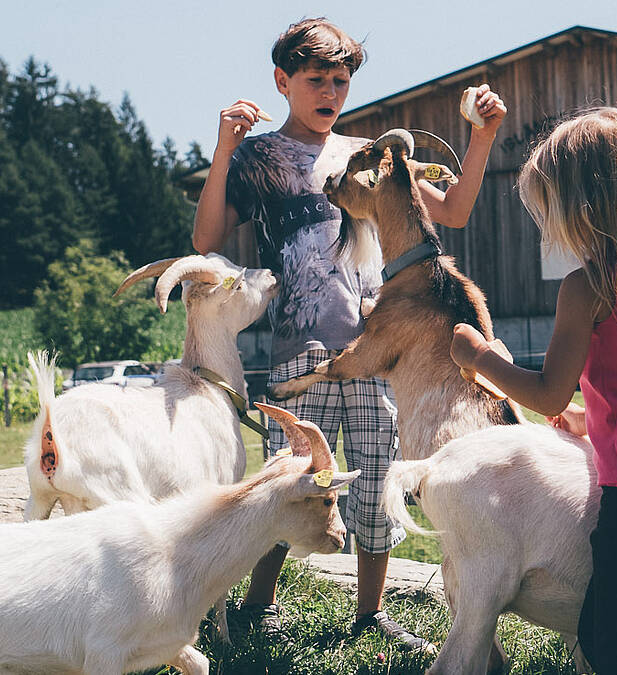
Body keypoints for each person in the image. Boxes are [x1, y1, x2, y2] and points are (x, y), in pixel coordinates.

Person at [190, 17, 508, 651]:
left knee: (375, 480)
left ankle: (369, 613)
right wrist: (224, 149)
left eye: (340, 79)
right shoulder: (258, 159)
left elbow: (454, 212)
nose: (330, 91)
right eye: (315, 79)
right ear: (282, 81)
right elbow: (205, 240)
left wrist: (481, 140)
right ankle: (259, 603)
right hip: (299, 349)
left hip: (377, 349)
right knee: (291, 482)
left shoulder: (368, 156)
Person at [451, 107, 617, 675]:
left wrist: (481, 357)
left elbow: (542, 393)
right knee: (604, 640)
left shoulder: (586, 285)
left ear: (586, 203)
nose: (550, 225)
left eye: (551, 206)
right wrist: (585, 417)